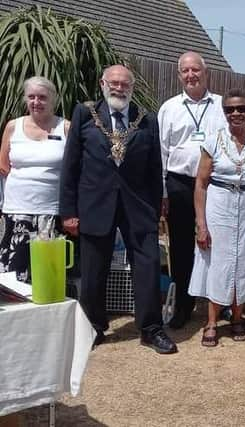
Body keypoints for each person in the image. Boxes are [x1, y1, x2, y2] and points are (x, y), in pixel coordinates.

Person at [59, 64, 177, 354]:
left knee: (148, 266)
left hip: (138, 206)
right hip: (94, 204)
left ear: (132, 87)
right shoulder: (85, 115)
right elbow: (70, 166)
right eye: (114, 83)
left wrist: (155, 205)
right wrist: (68, 211)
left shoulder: (146, 119)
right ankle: (94, 327)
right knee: (93, 270)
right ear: (103, 83)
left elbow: (154, 167)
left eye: (125, 84)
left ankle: (150, 328)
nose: (119, 88)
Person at [188, 89, 245, 346]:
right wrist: (201, 224)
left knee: (244, 260)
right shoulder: (213, 142)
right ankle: (212, 321)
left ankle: (238, 317)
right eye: (230, 109)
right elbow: (201, 185)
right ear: (224, 113)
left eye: (241, 109)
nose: (236, 113)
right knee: (218, 260)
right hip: (219, 205)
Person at [157, 51, 227, 329]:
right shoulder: (169, 108)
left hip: (214, 184)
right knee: (182, 248)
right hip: (178, 184)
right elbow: (161, 151)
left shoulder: (222, 105)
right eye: (185, 71)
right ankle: (183, 307)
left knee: (215, 245)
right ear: (179, 76)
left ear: (205, 72)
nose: (190, 75)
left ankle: (216, 304)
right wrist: (162, 192)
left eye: (195, 70)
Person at [0, 76, 69, 281]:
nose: (36, 102)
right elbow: (3, 166)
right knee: (13, 275)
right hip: (16, 211)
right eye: (31, 97)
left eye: (42, 97)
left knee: (46, 275)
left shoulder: (65, 127)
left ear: (52, 100)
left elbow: (75, 169)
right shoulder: (13, 127)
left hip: (50, 212)